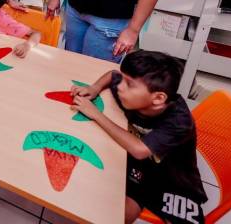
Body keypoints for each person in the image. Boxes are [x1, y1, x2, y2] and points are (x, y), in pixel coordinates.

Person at [71, 50, 207, 224]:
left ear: (158, 98)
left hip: (169, 174)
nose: (120, 86)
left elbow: (140, 150)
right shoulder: (131, 94)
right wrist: (94, 88)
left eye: (129, 83)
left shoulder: (179, 121)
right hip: (139, 164)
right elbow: (113, 75)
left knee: (121, 214)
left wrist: (96, 114)